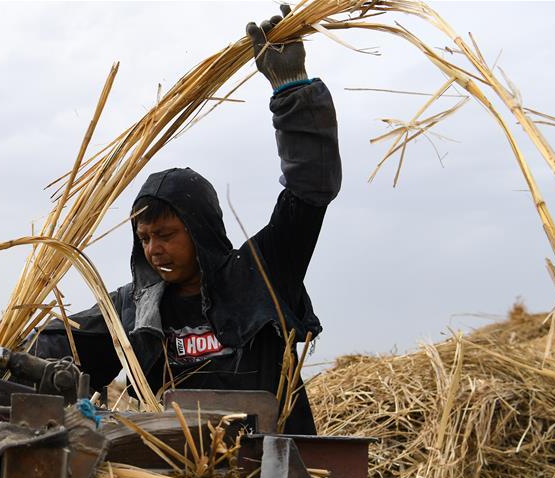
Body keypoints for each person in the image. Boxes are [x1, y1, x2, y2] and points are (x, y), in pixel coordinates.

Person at [29, 6, 341, 434]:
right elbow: (60, 343)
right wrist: (16, 365)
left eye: (165, 234)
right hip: (182, 470)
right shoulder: (137, 308)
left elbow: (310, 189)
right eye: (144, 238)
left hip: (278, 463)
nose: (154, 249)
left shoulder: (262, 275)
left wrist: (292, 91)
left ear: (200, 231)